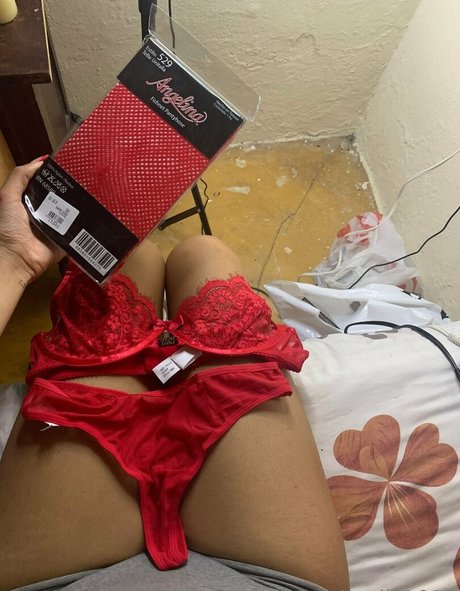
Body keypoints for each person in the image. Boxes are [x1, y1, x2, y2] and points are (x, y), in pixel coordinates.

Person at [0, 160, 349, 591]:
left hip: (52, 577)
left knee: (131, 260)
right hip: (271, 581)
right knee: (204, 255)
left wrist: (14, 259)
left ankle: (158, 327)